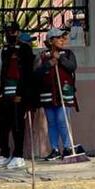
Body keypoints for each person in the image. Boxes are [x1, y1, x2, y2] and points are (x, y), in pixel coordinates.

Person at [35, 27, 81, 160]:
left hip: (64, 94)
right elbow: (36, 73)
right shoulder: (42, 56)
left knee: (63, 120)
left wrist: (59, 59)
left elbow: (72, 67)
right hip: (48, 94)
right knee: (51, 122)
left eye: (63, 37)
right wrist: (49, 63)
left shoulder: (67, 54)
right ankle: (54, 149)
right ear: (50, 40)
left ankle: (67, 147)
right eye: (59, 38)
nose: (62, 40)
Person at [0, 22, 34, 169]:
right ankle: (4, 154)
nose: (9, 34)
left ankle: (18, 155)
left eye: (12, 31)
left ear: (17, 32)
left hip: (19, 92)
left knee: (17, 125)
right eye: (7, 32)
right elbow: (3, 72)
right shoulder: (5, 49)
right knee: (2, 125)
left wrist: (21, 93)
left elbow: (27, 74)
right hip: (6, 92)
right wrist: (1, 92)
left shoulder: (25, 49)